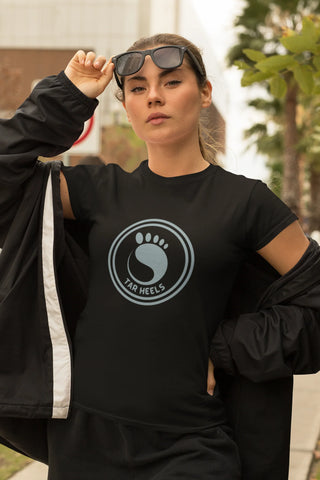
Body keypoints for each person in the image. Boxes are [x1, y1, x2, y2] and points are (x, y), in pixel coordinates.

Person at [0, 33, 319, 480]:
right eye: (137, 88)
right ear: (125, 104)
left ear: (204, 93)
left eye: (171, 82)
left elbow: (315, 301)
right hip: (85, 444)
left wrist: (229, 346)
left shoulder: (246, 202)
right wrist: (67, 96)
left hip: (190, 449)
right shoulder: (96, 189)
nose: (153, 96)